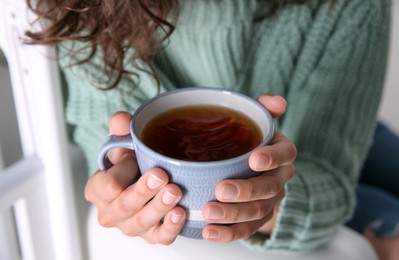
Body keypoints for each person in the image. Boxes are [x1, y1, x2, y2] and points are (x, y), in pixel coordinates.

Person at [25, 0, 394, 257]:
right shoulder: (82, 7)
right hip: (301, 164)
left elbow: (332, 174)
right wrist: (123, 189)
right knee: (386, 215)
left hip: (324, 143)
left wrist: (277, 203)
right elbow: (110, 144)